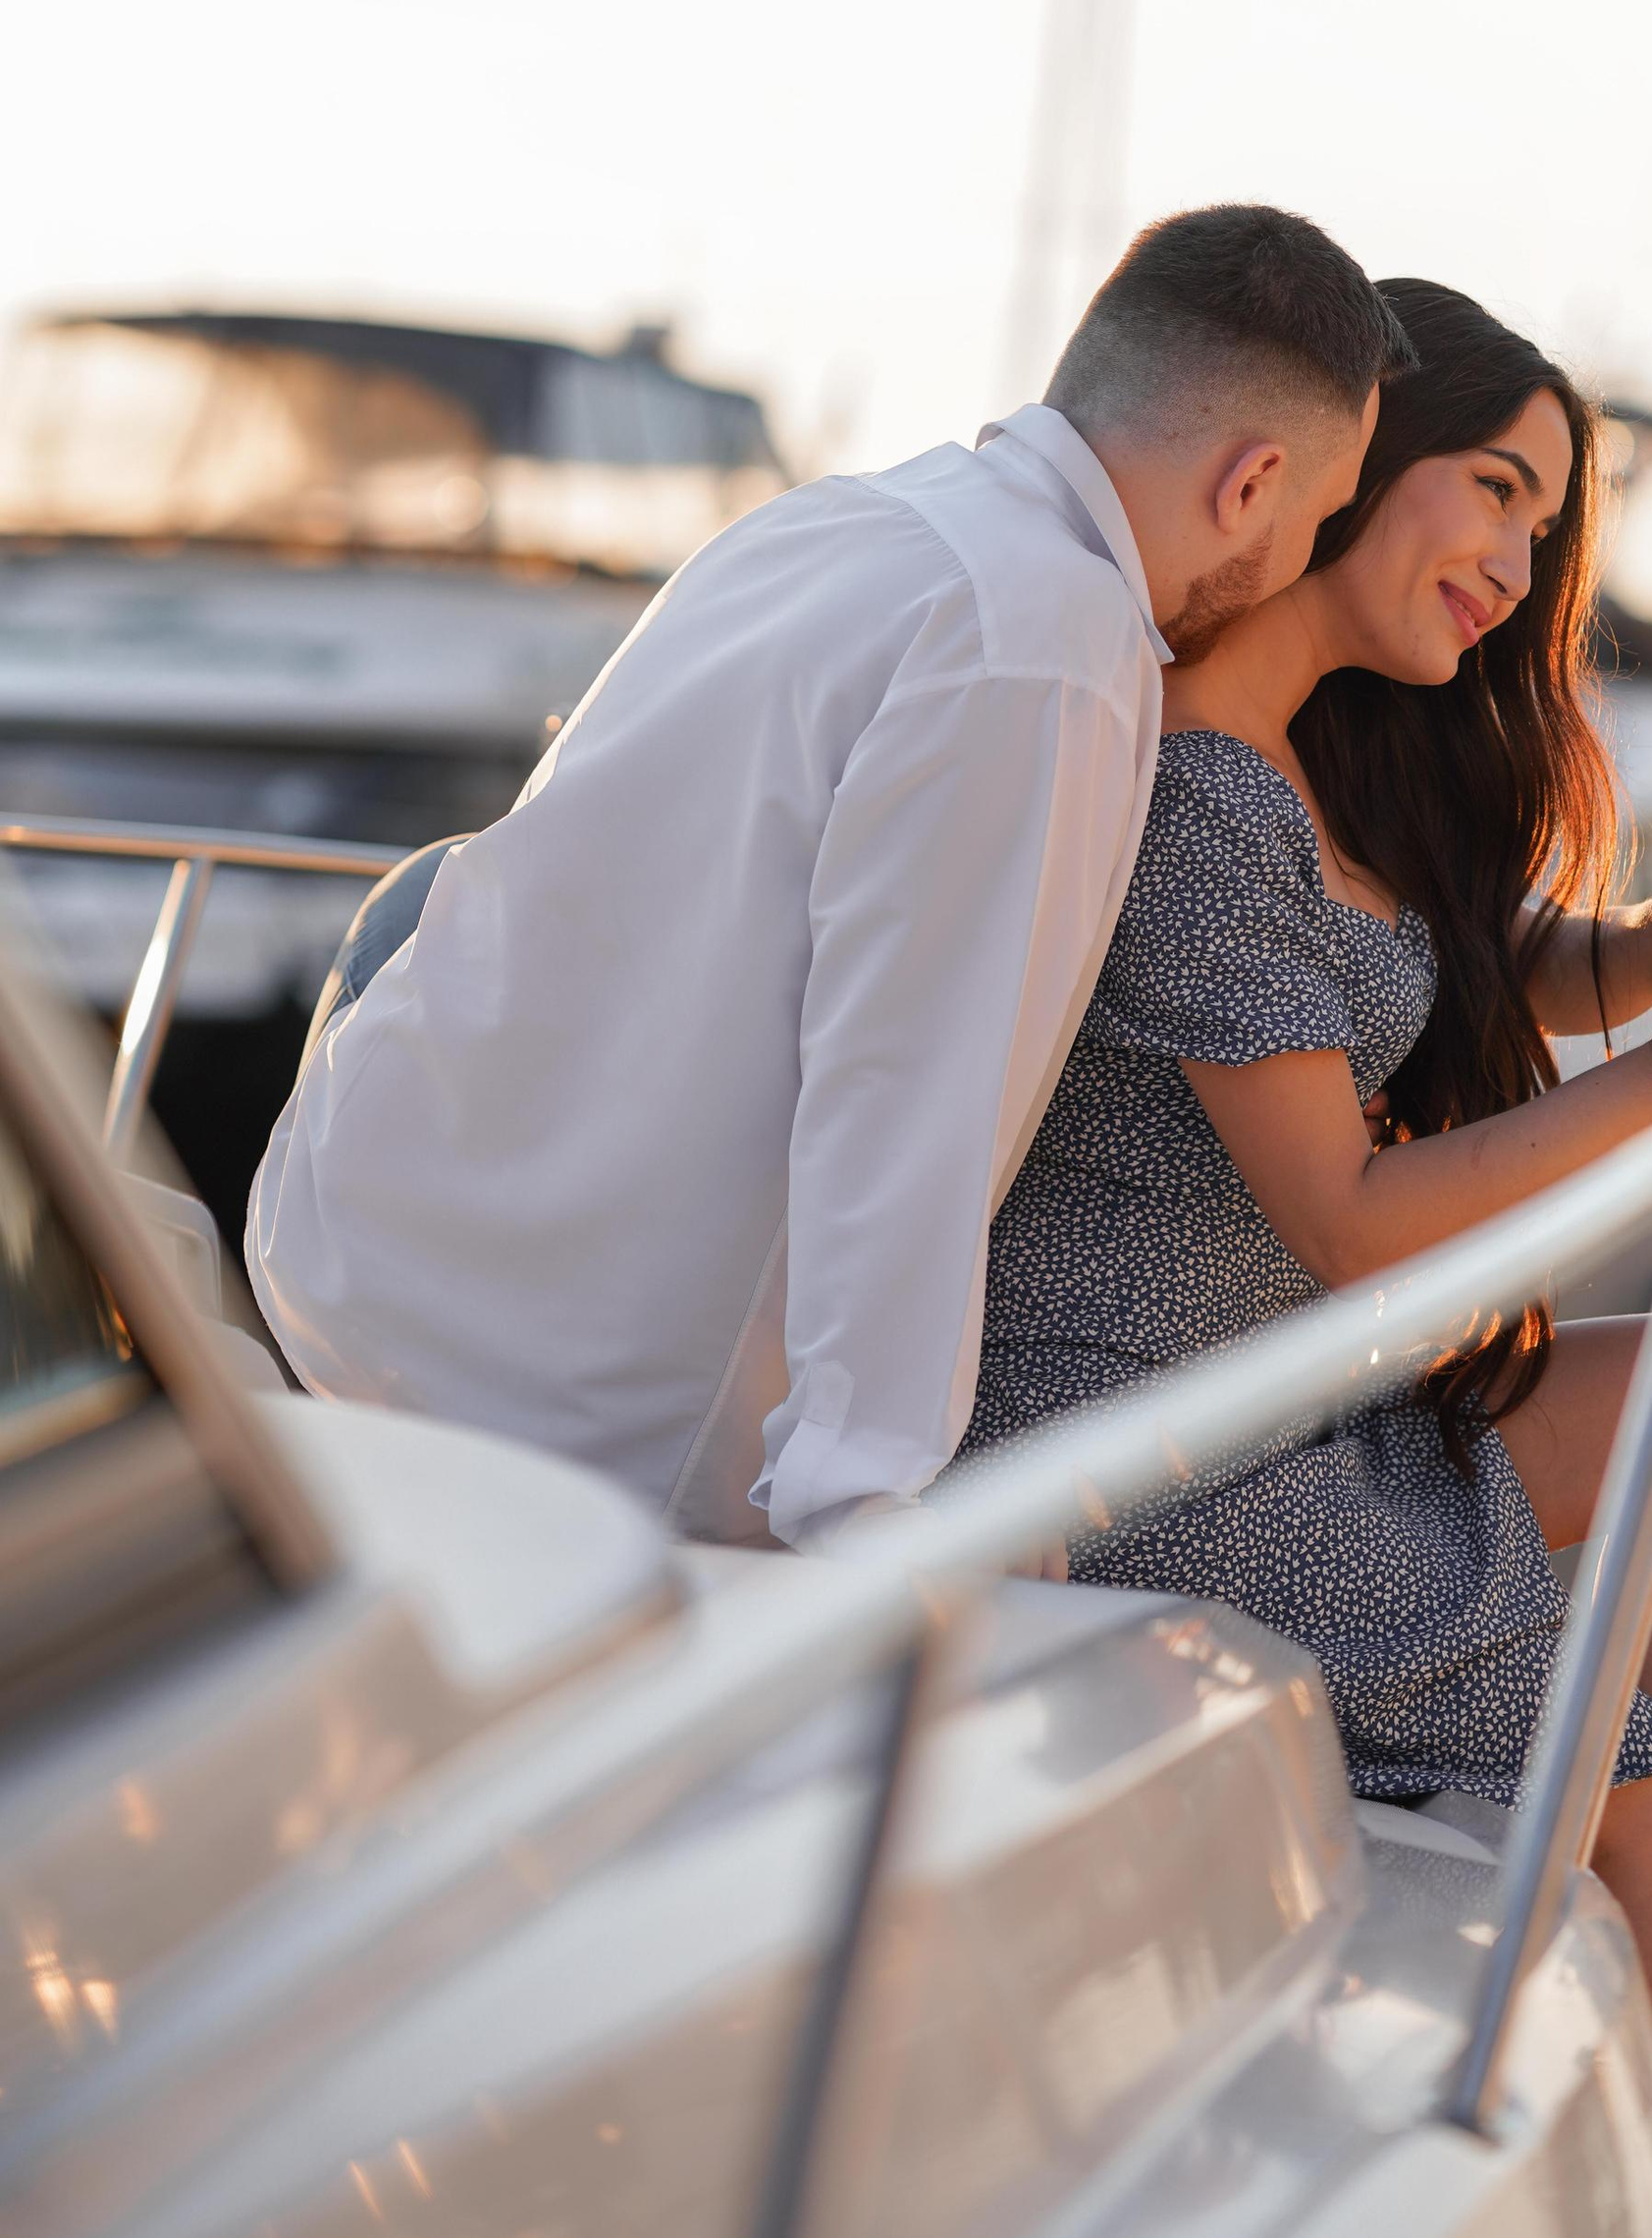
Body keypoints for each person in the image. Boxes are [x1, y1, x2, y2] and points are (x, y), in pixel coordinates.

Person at [960, 278, 1652, 2238]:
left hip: (1286, 1412)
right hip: (1153, 1457)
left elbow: (1451, 962)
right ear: (1361, 466)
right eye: (1498, 493)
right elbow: (1354, 1222)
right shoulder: (1199, 794)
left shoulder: (1310, 756)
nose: (1521, 564)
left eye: (1551, 529)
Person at [247, 205, 1408, 1550]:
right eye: (1321, 518)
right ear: (1252, 484)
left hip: (345, 1253)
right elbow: (912, 1085)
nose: (1299, 566)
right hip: (556, 1414)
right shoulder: (1049, 641)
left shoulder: (846, 517)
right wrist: (863, 1502)